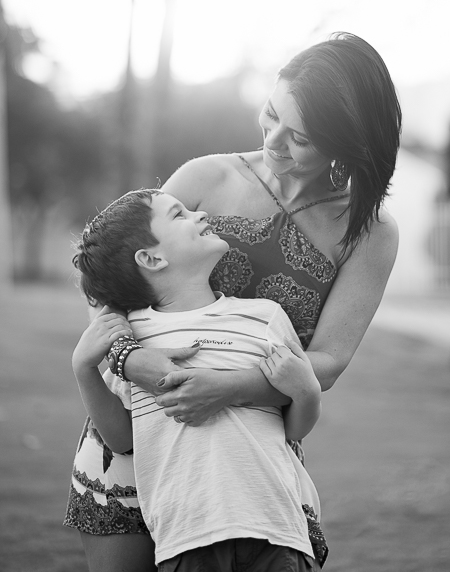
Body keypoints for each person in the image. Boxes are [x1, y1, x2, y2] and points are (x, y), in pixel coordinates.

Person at [65, 32, 401, 572]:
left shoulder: (369, 233)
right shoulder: (205, 178)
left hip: (250, 459)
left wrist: (232, 387)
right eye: (270, 115)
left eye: (302, 138)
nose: (274, 141)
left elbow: (330, 359)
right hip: (138, 426)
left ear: (348, 143)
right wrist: (135, 360)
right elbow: (106, 279)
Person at [71, 188, 323, 571]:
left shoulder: (265, 317)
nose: (200, 215)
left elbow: (293, 429)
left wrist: (307, 391)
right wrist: (84, 369)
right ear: (152, 258)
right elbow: (121, 440)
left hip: (277, 530)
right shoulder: (134, 335)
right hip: (187, 537)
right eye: (179, 215)